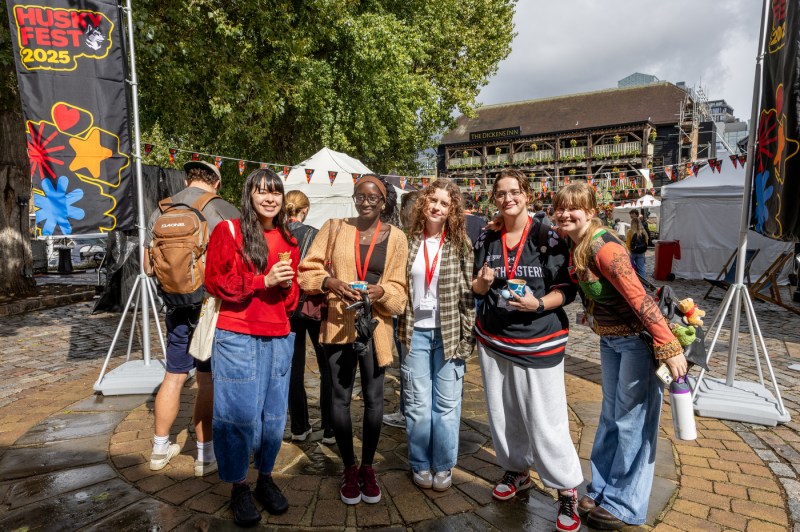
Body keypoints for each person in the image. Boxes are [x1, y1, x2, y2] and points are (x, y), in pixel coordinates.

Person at [554, 182, 686, 530]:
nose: (565, 214)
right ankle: (601, 488)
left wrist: (668, 347)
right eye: (560, 208)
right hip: (611, 341)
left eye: (574, 208)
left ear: (591, 212)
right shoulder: (575, 240)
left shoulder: (604, 248)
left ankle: (625, 502)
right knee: (611, 416)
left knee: (633, 421)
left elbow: (640, 297)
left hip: (638, 341)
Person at [472, 169, 583, 532]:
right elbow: (477, 287)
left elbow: (567, 289)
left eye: (515, 192)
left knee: (545, 418)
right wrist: (481, 284)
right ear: (494, 199)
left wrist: (538, 304)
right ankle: (517, 470)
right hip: (494, 337)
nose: (508, 199)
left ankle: (566, 487)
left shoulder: (548, 236)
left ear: (527, 195)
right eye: (501, 193)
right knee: (504, 415)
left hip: (538, 339)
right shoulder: (487, 236)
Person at [299, 174, 408, 506]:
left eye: (373, 197)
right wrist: (330, 282)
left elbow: (400, 293)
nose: (366, 201)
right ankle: (348, 468)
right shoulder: (333, 227)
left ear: (384, 202)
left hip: (375, 326)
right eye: (360, 195)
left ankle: (367, 468)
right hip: (339, 324)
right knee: (340, 398)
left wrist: (382, 291)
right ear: (354, 197)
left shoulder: (397, 237)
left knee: (375, 399)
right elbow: (307, 272)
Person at [204, 168, 300, 526]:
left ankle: (265, 479)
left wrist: (289, 287)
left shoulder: (289, 240)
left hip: (278, 335)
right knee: (237, 415)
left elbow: (290, 300)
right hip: (237, 334)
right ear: (249, 195)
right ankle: (239, 487)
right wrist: (264, 280)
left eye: (275, 191)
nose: (269, 198)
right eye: (261, 191)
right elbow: (216, 281)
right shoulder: (228, 231)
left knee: (273, 415)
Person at [148, 160, 239, 477]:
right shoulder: (223, 209)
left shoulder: (161, 210)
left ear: (186, 179)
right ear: (216, 182)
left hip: (174, 304)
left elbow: (149, 267)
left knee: (174, 375)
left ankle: (159, 449)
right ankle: (205, 455)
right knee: (206, 379)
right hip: (209, 305)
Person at [397, 180, 475, 492]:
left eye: (444, 203)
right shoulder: (407, 241)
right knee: (417, 404)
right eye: (433, 200)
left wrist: (467, 338)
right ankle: (419, 462)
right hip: (415, 332)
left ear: (452, 210)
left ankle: (442, 464)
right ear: (423, 203)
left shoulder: (461, 245)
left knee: (447, 405)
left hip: (449, 332)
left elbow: (469, 294)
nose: (437, 207)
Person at [285, 190, 335, 444]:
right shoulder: (315, 234)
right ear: (305, 210)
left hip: (287, 308)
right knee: (327, 366)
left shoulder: (277, 234)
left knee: (293, 368)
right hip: (314, 306)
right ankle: (329, 428)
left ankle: (298, 427)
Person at [384, 189, 420, 429]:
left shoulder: (409, 239)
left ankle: (410, 412)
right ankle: (408, 410)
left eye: (405, 208)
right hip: (401, 311)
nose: (404, 213)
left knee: (410, 367)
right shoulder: (404, 236)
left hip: (413, 313)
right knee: (407, 367)